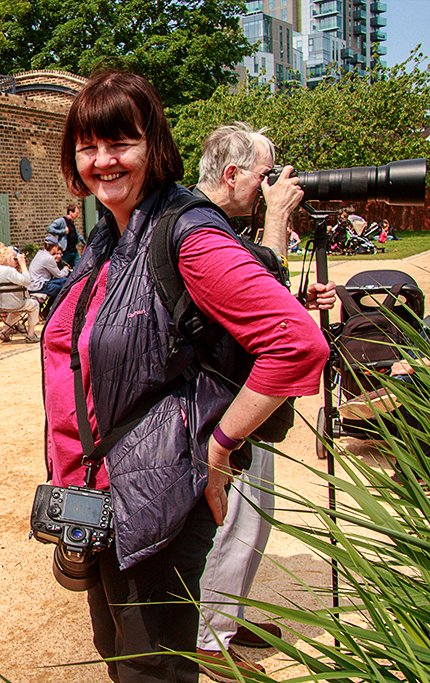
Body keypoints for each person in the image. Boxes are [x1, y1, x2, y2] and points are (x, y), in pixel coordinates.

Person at [45, 71, 329, 682]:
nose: (103, 160)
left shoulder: (186, 233)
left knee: (153, 670)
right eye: (88, 146)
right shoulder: (108, 235)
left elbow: (297, 344)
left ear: (155, 146)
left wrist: (221, 447)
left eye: (121, 142)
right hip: (101, 491)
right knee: (122, 656)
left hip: (161, 496)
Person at [193, 121, 337, 677]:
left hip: (246, 392)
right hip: (226, 403)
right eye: (264, 175)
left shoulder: (219, 228)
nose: (271, 185)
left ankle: (226, 615)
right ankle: (209, 634)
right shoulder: (198, 228)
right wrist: (277, 220)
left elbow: (239, 308)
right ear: (231, 175)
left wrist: (294, 299)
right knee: (238, 519)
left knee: (256, 517)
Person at [0, 246, 40, 343]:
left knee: (16, 311)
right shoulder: (9, 271)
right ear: (6, 259)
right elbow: (27, 281)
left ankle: (5, 331)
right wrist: (23, 265)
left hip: (0, 304)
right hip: (15, 303)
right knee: (35, 305)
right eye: (14, 258)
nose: (16, 260)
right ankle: (31, 335)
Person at [47, 203, 83, 268]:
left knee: (78, 269)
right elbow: (49, 229)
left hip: (74, 251)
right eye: (76, 213)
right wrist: (63, 231)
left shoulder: (72, 222)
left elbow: (75, 234)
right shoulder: (62, 221)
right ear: (71, 212)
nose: (78, 215)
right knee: (62, 268)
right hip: (65, 251)